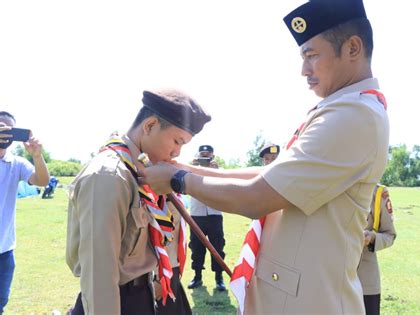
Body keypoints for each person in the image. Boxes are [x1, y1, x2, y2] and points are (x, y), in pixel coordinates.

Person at [140, 0, 390, 313]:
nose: (304, 70)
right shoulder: (343, 110)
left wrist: (177, 180)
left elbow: (256, 197)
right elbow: (266, 177)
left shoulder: (354, 116)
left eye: (312, 55)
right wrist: (183, 167)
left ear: (353, 48)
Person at [66, 89, 210, 315]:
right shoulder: (109, 176)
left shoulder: (145, 170)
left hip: (148, 292)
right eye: (176, 141)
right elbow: (99, 274)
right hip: (118, 300)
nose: (177, 152)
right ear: (150, 125)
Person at [0, 111, 50, 314]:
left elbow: (42, 181)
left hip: (4, 251)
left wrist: (37, 156)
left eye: (9, 129)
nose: (4, 133)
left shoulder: (16, 163)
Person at [187, 145, 226, 291]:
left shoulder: (219, 172)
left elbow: (225, 187)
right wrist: (192, 168)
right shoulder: (191, 170)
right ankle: (197, 277)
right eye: (202, 155)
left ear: (213, 156)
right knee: (196, 246)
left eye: (207, 156)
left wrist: (214, 172)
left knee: (218, 246)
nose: (205, 158)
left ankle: (219, 278)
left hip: (215, 214)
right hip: (197, 215)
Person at [358, 184, 396, 315]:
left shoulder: (378, 193)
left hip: (364, 279)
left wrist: (372, 237)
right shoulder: (330, 183)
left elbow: (389, 235)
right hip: (329, 276)